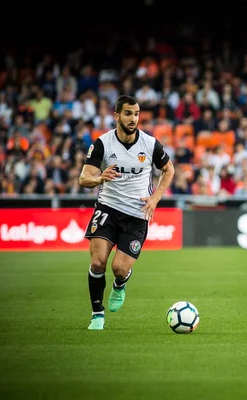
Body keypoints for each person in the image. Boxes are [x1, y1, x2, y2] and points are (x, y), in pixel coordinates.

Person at [79, 95, 175, 330]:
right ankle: (97, 314)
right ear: (117, 116)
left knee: (119, 268)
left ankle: (120, 284)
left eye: (136, 113)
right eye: (128, 113)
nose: (133, 118)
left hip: (137, 214)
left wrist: (155, 198)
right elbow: (84, 178)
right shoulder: (102, 143)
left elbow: (168, 170)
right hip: (108, 208)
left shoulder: (150, 144)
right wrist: (100, 177)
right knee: (98, 261)